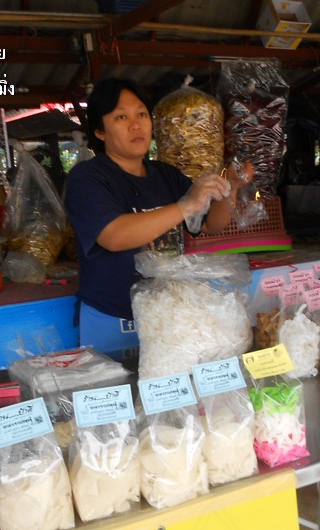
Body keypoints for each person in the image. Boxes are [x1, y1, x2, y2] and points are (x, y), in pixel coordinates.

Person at [64, 77, 252, 354]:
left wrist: (231, 188)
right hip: (112, 318)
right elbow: (113, 235)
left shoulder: (166, 175)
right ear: (100, 131)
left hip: (167, 315)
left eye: (141, 114)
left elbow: (211, 224)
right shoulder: (87, 178)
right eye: (121, 117)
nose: (136, 125)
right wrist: (186, 205)